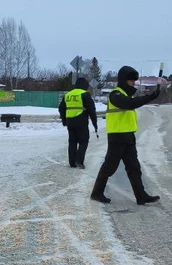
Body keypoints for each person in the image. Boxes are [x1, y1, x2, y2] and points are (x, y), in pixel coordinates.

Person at [90, 66, 162, 205]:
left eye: (134, 81)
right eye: (131, 80)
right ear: (124, 80)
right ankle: (97, 193)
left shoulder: (126, 95)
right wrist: (150, 96)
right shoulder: (115, 95)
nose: (133, 83)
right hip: (117, 137)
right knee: (109, 167)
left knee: (134, 168)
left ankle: (141, 196)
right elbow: (129, 104)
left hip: (128, 136)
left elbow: (130, 104)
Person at [58, 77, 98, 169]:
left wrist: (64, 121)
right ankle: (79, 161)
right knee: (83, 141)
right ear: (85, 86)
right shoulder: (84, 94)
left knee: (72, 141)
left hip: (70, 121)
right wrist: (94, 124)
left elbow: (61, 108)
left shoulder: (68, 95)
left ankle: (72, 162)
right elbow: (92, 110)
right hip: (81, 120)